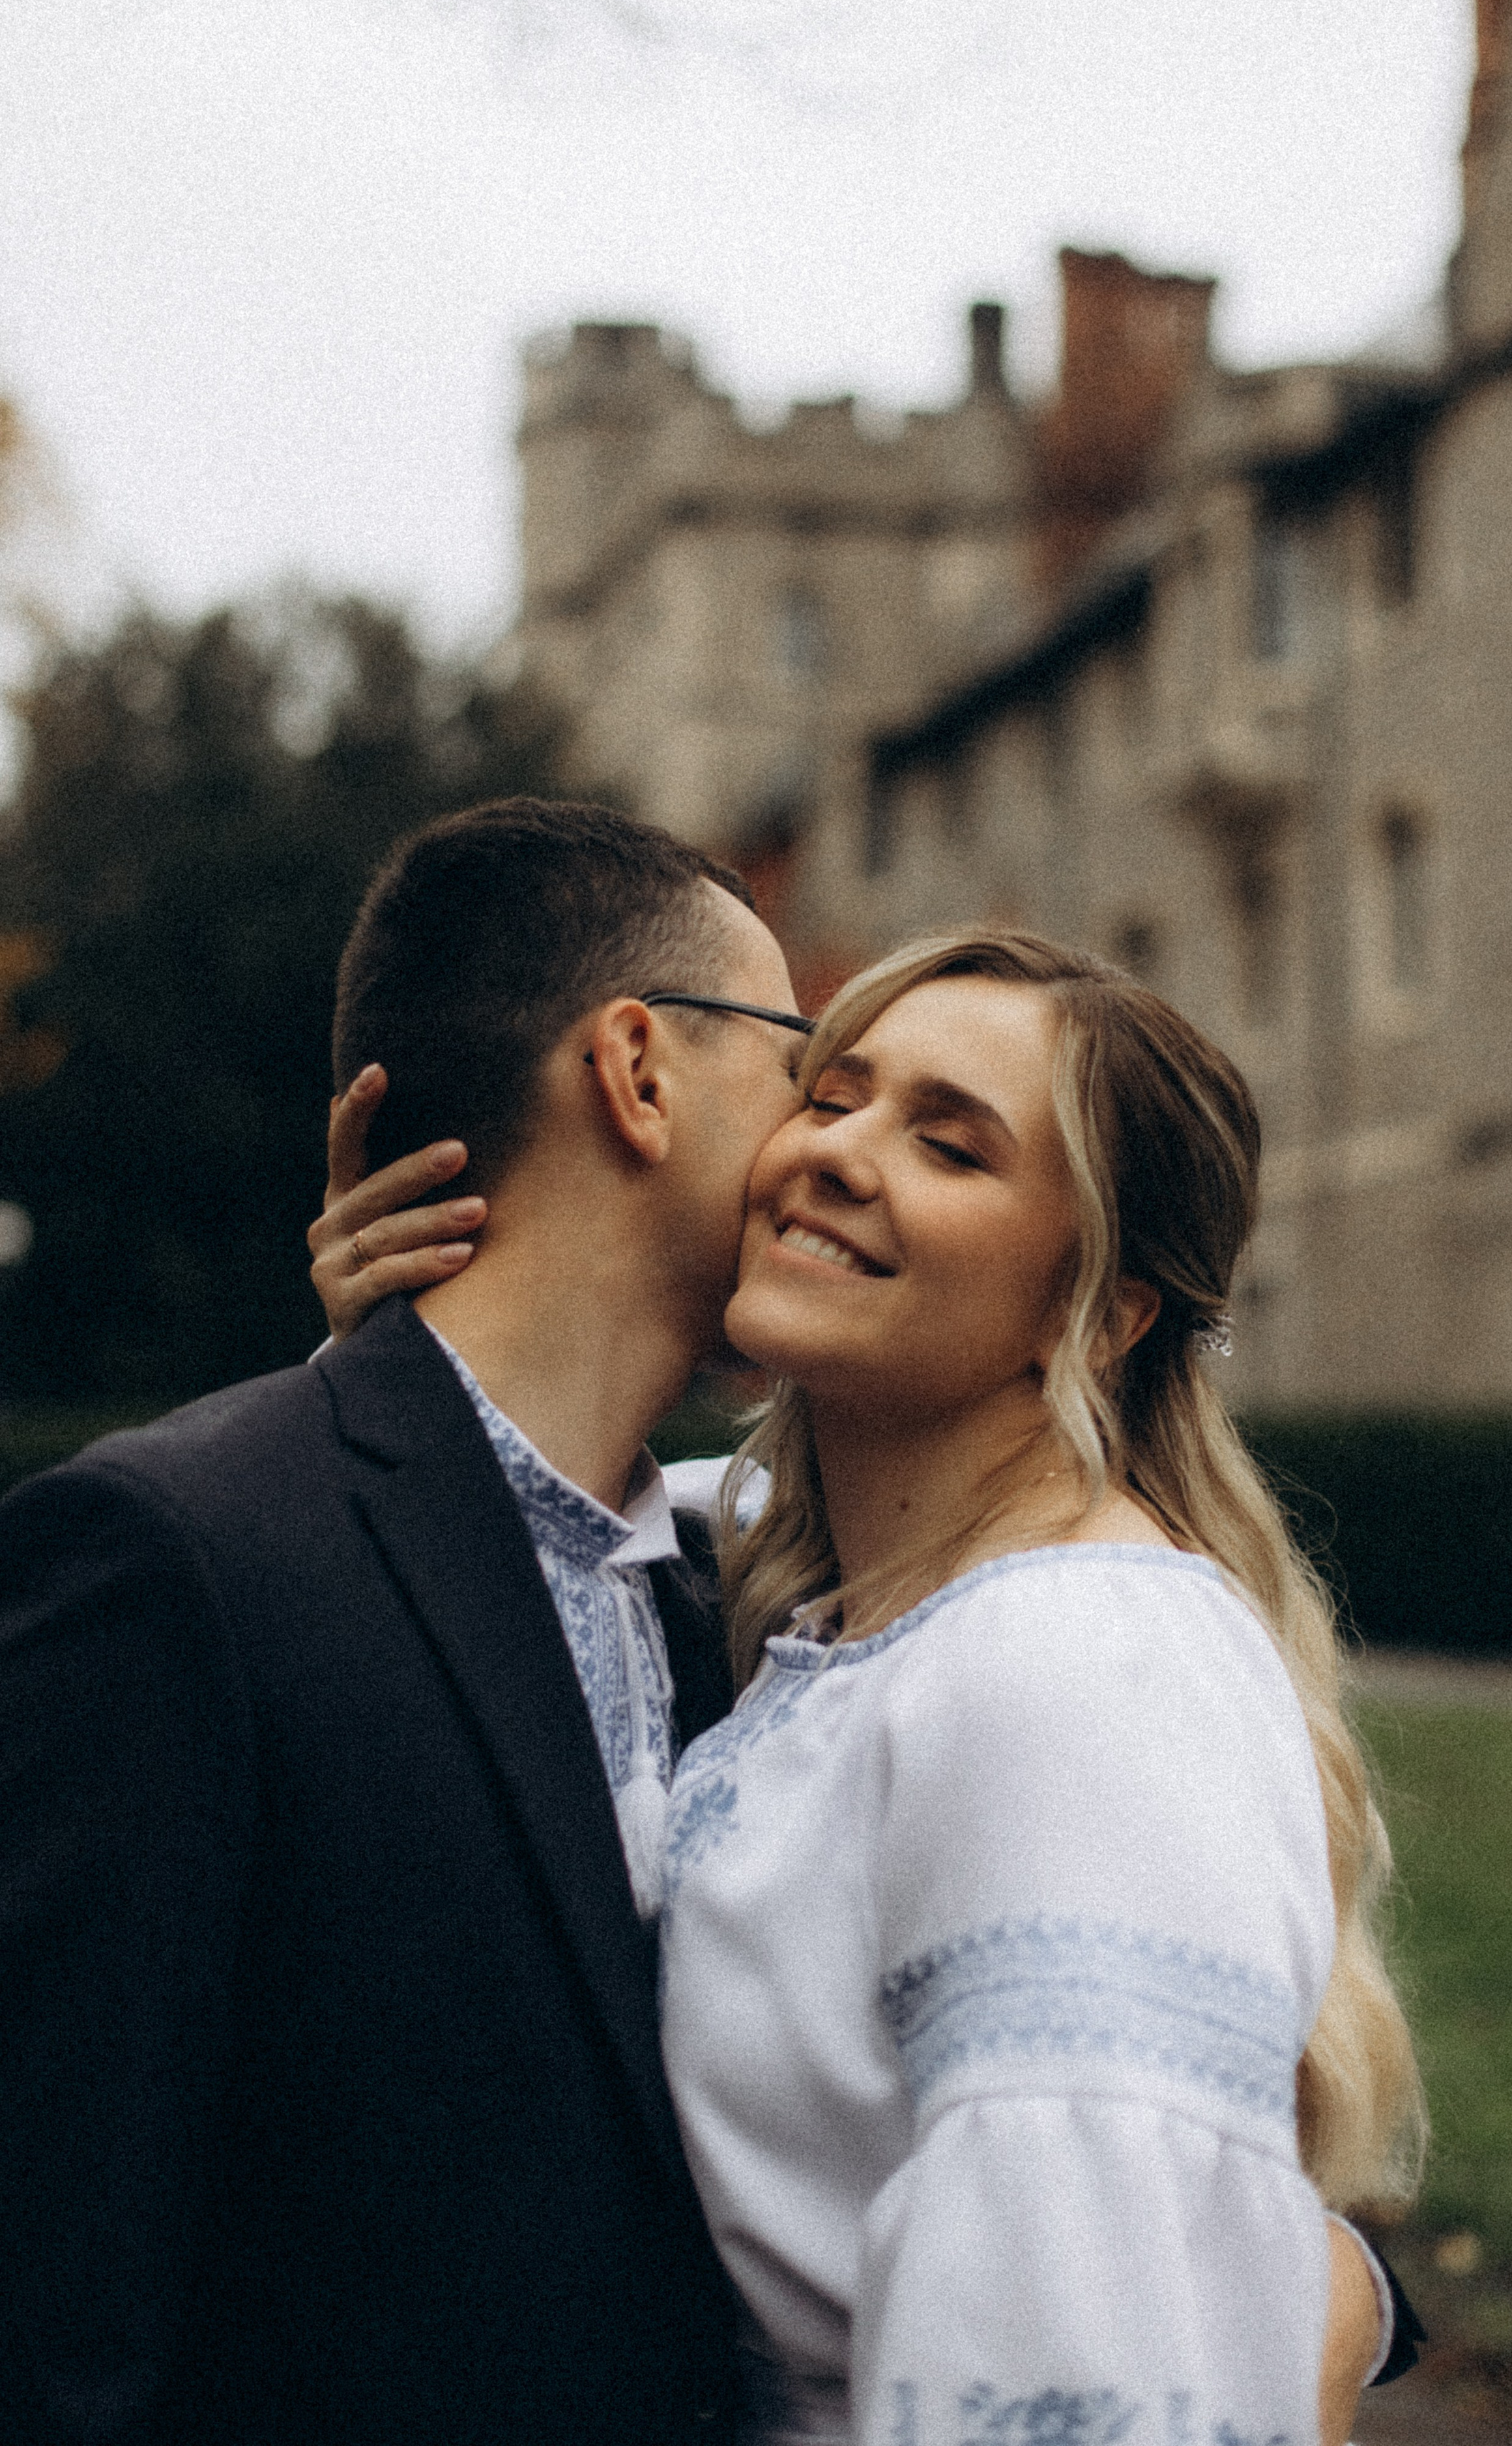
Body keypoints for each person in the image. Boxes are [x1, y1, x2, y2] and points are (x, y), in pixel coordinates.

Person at [315, 922, 1426, 2446]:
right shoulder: (808, 1575)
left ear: (1097, 1315)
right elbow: (550, 1513)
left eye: (950, 1147)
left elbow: (1078, 2373)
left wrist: (1334, 2300)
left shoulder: (1073, 1664)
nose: (836, 1155)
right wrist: (416, 1360)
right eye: (830, 1097)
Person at [0, 798, 816, 2446]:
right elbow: (51, 2306)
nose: (829, 1138)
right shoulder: (183, 1565)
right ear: (639, 1070)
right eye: (801, 1059)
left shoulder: (754, 1600)